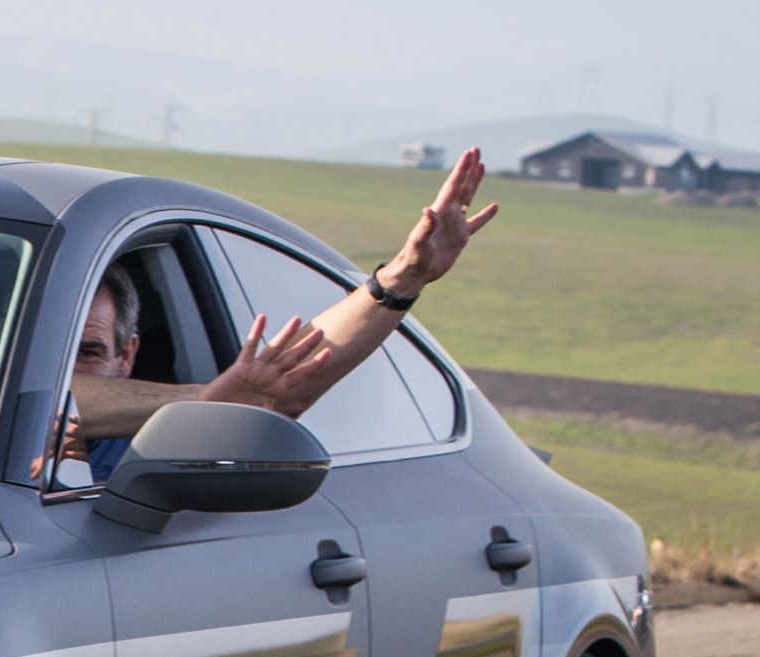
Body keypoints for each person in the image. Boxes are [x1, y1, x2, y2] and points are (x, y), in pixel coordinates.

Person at [59, 147, 500, 477]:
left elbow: (280, 392)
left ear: (127, 355)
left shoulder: (156, 444)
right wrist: (204, 399)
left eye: (88, 353)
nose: (64, 373)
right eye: (46, 353)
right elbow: (16, 394)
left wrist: (402, 278)